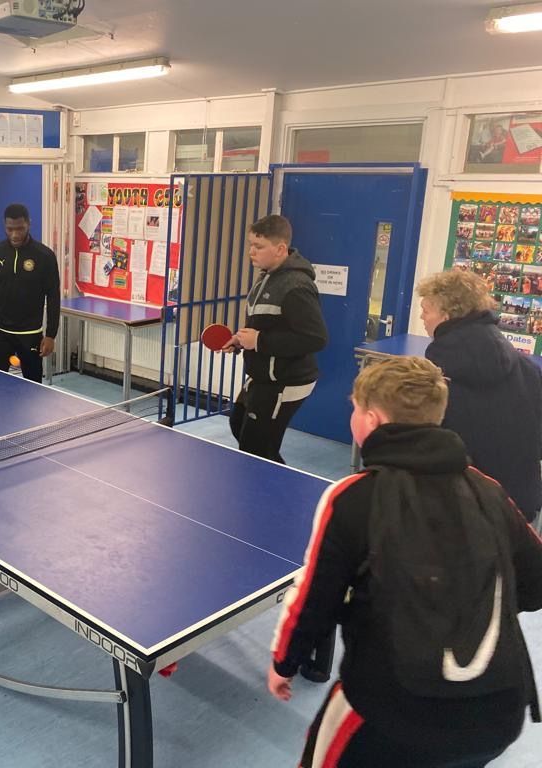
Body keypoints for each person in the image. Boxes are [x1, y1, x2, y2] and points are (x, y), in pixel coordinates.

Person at [269, 356, 542, 767]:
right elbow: (535, 585)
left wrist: (284, 664)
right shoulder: (489, 491)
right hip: (496, 716)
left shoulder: (353, 497)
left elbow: (314, 600)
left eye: (355, 409)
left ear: (372, 420)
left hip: (391, 712)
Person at [418, 269, 542, 526]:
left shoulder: (437, 374)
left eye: (426, 310)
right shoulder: (526, 368)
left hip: (463, 510)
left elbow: (426, 444)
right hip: (519, 504)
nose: (421, 317)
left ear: (446, 315)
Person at [224, 214, 328, 463]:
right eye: (251, 244)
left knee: (257, 448)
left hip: (285, 381)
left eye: (259, 246)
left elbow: (316, 338)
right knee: (238, 423)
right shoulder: (267, 275)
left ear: (280, 249)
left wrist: (259, 341)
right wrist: (242, 339)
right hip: (262, 376)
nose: (251, 251)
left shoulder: (296, 286)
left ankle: (277, 485)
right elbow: (267, 323)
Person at [0, 203, 60, 384]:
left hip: (30, 333)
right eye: (10, 229)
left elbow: (53, 297)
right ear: (5, 226)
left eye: (20, 229)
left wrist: (51, 335)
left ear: (28, 224)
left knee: (32, 388)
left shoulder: (45, 256)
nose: (15, 235)